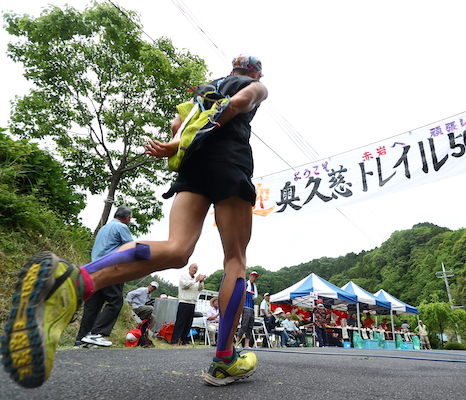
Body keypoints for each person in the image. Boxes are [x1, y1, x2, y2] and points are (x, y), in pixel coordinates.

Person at [1, 53, 267, 388]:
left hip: (193, 166)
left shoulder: (204, 91)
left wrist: (174, 145)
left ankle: (74, 280)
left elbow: (177, 129)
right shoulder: (254, 85)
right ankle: (226, 358)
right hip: (231, 162)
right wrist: (224, 115)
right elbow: (240, 103)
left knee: (176, 248)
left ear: (231, 67)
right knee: (235, 260)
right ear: (254, 72)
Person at [74, 206, 134, 348]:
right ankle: (96, 333)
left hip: (94, 269)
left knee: (93, 305)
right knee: (115, 301)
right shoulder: (121, 227)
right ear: (128, 218)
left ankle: (81, 339)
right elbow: (131, 247)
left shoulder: (104, 228)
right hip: (110, 268)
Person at [170, 263, 206, 345]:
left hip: (193, 303)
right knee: (180, 322)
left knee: (188, 323)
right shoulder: (184, 276)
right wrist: (195, 280)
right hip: (184, 302)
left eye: (196, 268)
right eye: (193, 268)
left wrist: (200, 281)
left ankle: (184, 340)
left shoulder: (196, 279)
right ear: (189, 268)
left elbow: (200, 288)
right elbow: (184, 285)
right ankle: (174, 340)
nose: (194, 270)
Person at [237, 270, 260, 348]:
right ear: (249, 276)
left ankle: (247, 344)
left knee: (250, 327)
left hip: (252, 308)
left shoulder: (254, 286)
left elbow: (254, 297)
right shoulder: (246, 284)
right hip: (246, 307)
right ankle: (237, 343)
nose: (254, 278)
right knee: (244, 325)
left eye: (255, 277)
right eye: (253, 276)